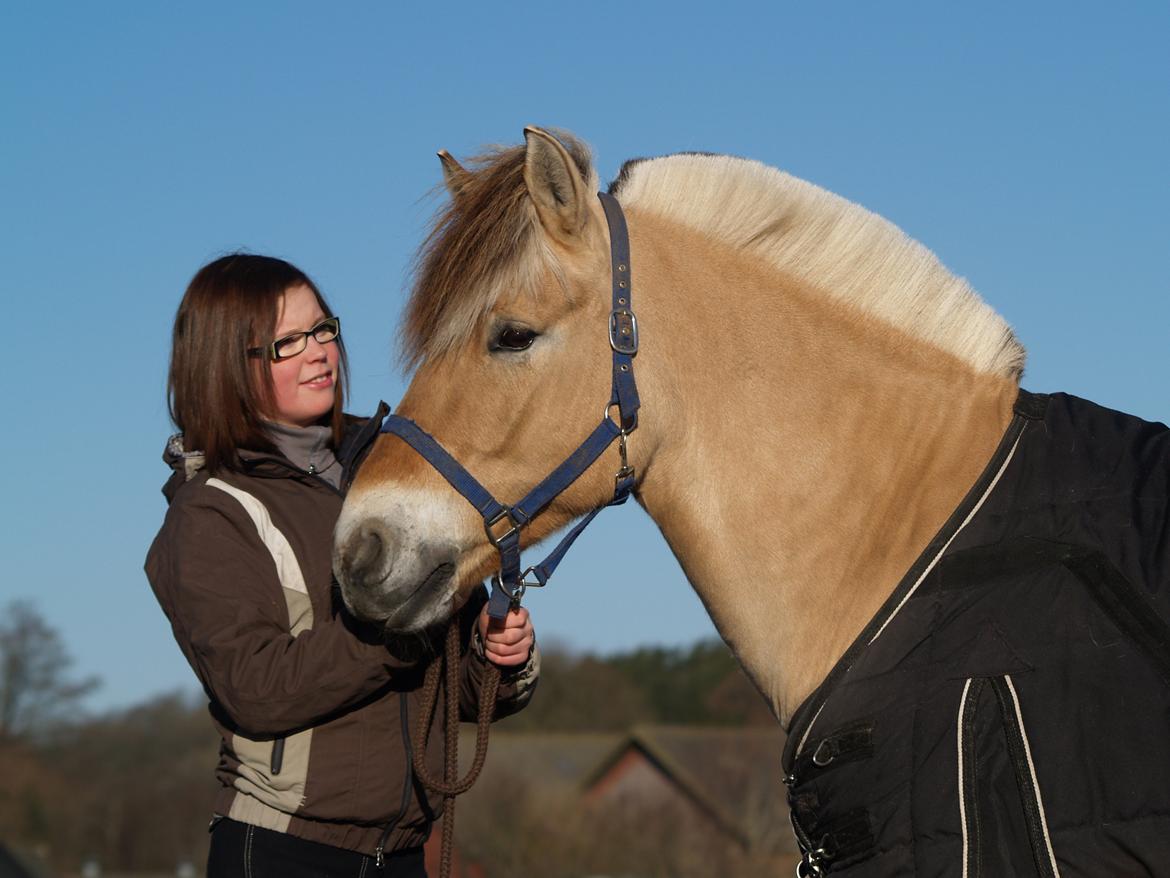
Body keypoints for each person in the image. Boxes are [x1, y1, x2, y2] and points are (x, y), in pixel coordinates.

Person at [145, 254, 538, 877]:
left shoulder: (394, 478)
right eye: (286, 343)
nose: (320, 352)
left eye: (323, 328)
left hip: (407, 852)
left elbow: (448, 688)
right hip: (282, 852)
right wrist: (398, 627)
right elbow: (257, 689)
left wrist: (494, 657)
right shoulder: (213, 511)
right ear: (225, 364)